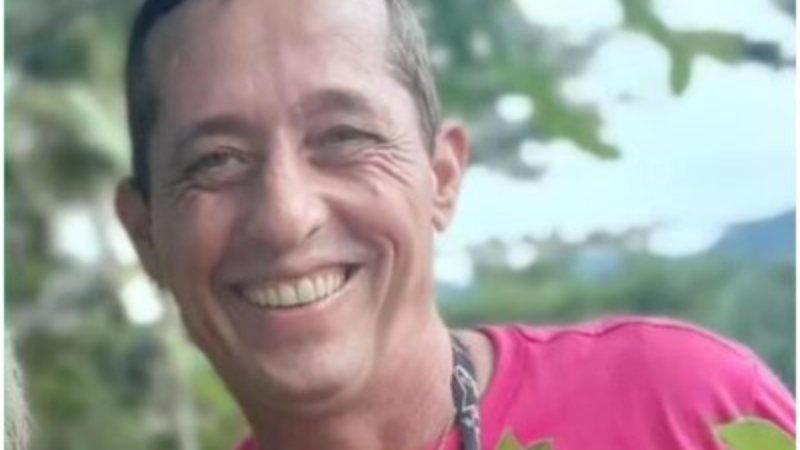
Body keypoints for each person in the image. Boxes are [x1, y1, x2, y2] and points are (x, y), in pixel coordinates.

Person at [115, 0, 795, 448]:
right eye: (216, 161)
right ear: (146, 235)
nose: (287, 218)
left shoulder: (684, 409)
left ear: (441, 179)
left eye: (344, 137)